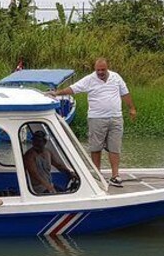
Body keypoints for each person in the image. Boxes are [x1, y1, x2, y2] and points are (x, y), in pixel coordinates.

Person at [49, 58, 136, 187]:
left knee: (115, 147)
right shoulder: (89, 79)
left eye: (103, 70)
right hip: (96, 118)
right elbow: (73, 89)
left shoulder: (116, 77)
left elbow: (125, 93)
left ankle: (115, 175)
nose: (100, 72)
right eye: (98, 70)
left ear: (108, 68)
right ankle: (97, 174)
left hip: (116, 117)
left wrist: (132, 108)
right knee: (96, 147)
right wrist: (56, 93)